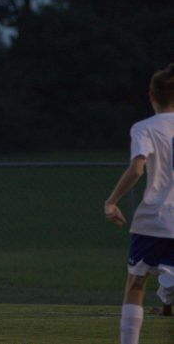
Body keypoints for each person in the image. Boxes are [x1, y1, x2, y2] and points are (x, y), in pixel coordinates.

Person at [103, 64, 174, 344]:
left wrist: (111, 201)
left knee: (136, 281)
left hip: (154, 219)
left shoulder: (144, 128)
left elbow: (136, 169)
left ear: (150, 95)